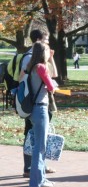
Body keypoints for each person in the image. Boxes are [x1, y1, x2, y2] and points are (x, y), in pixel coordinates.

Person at [21, 30, 57, 178]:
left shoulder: (29, 65)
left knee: (36, 142)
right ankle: (36, 177)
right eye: (47, 45)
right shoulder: (41, 67)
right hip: (39, 107)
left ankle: (37, 175)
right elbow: (51, 86)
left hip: (31, 106)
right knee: (40, 146)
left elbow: (21, 79)